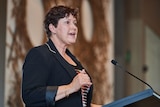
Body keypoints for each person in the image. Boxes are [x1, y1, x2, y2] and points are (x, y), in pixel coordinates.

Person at [22, 5, 102, 107]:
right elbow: (30, 95)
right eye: (67, 22)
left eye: (74, 23)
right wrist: (71, 87)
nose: (74, 27)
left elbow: (77, 102)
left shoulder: (73, 59)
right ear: (52, 28)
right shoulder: (40, 54)